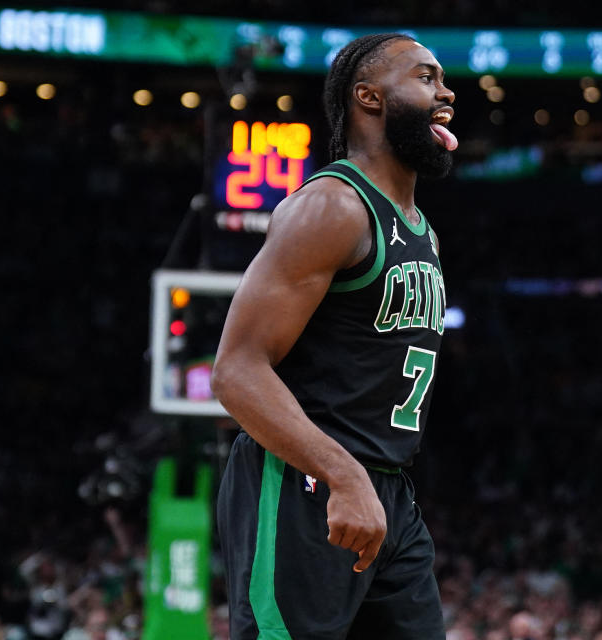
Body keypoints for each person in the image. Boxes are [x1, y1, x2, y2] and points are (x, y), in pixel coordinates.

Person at [211, 32, 458, 640]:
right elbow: (236, 371)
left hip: (388, 494)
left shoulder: (419, 227)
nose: (446, 93)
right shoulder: (333, 208)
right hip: (305, 483)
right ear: (368, 97)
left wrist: (364, 483)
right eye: (426, 78)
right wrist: (343, 476)